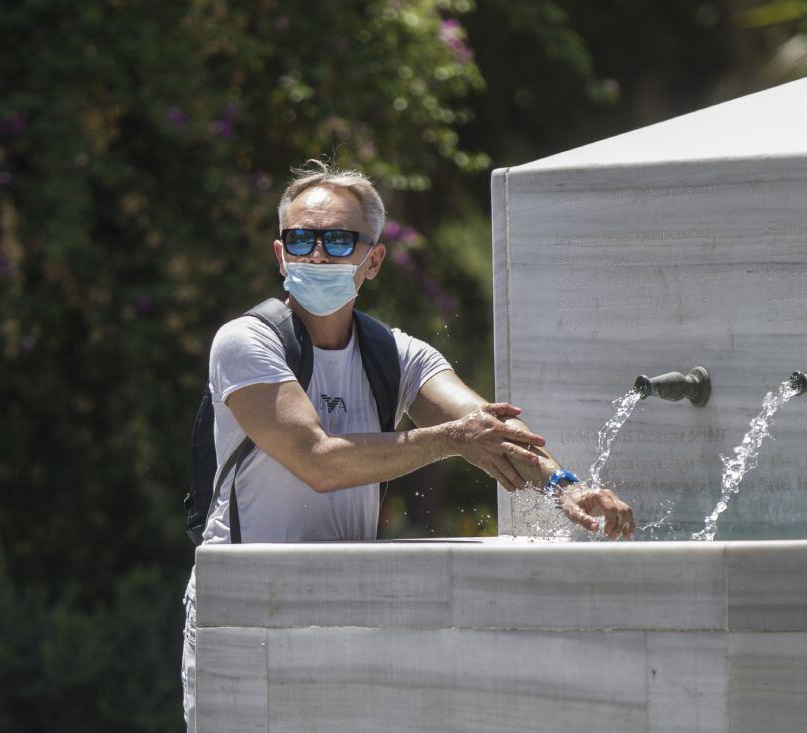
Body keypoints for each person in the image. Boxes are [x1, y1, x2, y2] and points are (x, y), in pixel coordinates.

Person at [181, 160, 634, 730]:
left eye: (338, 240)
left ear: (372, 260)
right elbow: (318, 462)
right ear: (280, 254)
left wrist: (566, 485)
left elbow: (486, 425)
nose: (316, 256)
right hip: (243, 603)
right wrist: (449, 440)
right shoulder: (245, 341)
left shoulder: (392, 353)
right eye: (300, 239)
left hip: (348, 602)